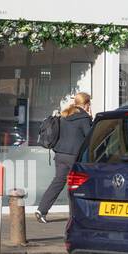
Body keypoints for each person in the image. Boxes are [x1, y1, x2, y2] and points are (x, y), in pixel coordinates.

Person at [36, 91, 93, 224]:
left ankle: (42, 210)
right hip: (74, 156)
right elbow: (90, 136)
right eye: (89, 103)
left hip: (60, 155)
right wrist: (91, 118)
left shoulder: (66, 114)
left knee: (58, 182)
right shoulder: (83, 118)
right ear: (86, 104)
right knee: (77, 185)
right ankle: (76, 215)